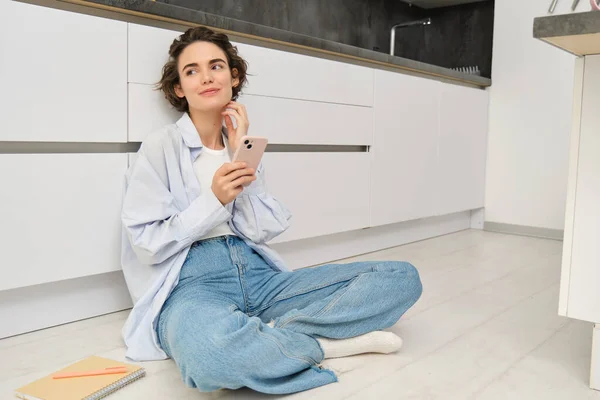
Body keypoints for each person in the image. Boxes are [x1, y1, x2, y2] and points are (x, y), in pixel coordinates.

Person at [120, 26, 423, 395]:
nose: (206, 77)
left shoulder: (245, 147)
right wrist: (213, 200)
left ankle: (274, 338)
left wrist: (241, 151)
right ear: (179, 89)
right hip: (192, 284)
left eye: (216, 66)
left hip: (261, 277)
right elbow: (146, 244)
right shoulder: (160, 146)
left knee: (400, 277)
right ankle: (324, 345)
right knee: (210, 356)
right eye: (191, 71)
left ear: (233, 77)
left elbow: (261, 230)